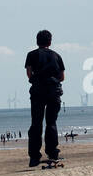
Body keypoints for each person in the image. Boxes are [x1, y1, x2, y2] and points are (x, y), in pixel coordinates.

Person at [24, 29, 65, 166]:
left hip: (37, 91)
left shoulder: (31, 55)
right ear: (50, 42)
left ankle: (34, 156)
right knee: (51, 123)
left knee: (36, 123)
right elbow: (62, 77)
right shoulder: (57, 56)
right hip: (54, 91)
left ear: (37, 41)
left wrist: (38, 78)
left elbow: (29, 74)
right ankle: (52, 152)